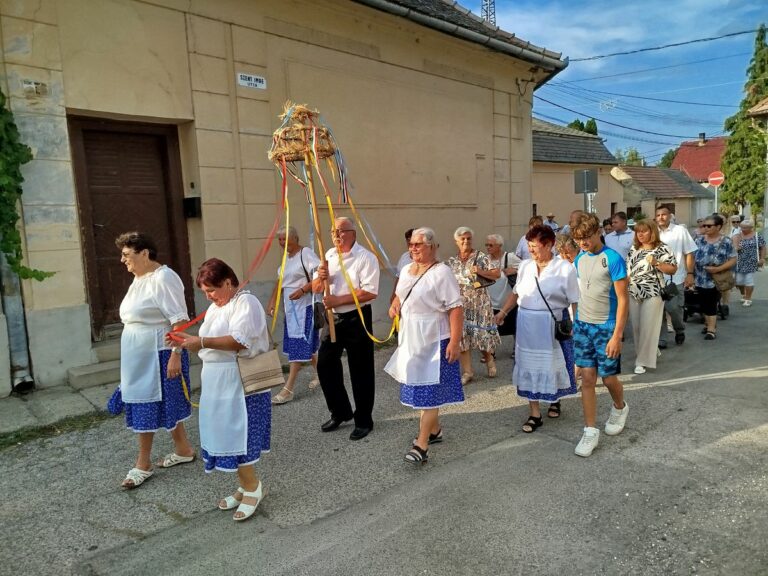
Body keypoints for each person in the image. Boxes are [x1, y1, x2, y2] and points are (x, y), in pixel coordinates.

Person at [170, 258, 271, 522]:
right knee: (225, 434)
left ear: (228, 282)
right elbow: (207, 340)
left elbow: (239, 340)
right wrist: (185, 342)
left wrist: (200, 341)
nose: (209, 297)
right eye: (205, 292)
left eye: (212, 290)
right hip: (217, 379)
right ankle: (243, 484)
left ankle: (253, 487)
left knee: (238, 434)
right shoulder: (218, 307)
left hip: (238, 380)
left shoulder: (245, 303)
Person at [114, 232, 195, 490]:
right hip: (137, 357)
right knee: (160, 406)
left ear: (145, 253)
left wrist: (176, 354)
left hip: (160, 354)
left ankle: (143, 463)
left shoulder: (164, 278)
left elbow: (180, 320)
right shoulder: (139, 279)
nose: (122, 260)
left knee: (146, 407)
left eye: (127, 255)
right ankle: (183, 449)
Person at [385, 227, 464, 464]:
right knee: (421, 388)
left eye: (418, 245)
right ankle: (435, 429)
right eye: (411, 244)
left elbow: (455, 308)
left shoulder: (442, 273)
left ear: (432, 246)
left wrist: (454, 341)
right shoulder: (408, 269)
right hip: (411, 338)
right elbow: (400, 294)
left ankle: (422, 444)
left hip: (434, 338)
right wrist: (395, 306)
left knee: (429, 392)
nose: (413, 248)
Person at [495, 225, 579, 431]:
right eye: (529, 245)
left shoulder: (565, 268)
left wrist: (576, 324)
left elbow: (575, 300)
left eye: (535, 246)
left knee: (550, 365)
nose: (530, 250)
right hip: (526, 325)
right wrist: (503, 312)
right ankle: (534, 413)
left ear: (549, 245)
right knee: (528, 366)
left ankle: (554, 399)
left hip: (549, 326)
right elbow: (516, 293)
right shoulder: (525, 266)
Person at [313, 216, 380, 440]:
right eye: (333, 231)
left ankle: (364, 420)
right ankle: (341, 411)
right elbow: (315, 286)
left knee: (360, 369)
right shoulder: (328, 255)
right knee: (325, 363)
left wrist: (338, 300)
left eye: (341, 231)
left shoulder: (365, 257)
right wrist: (322, 278)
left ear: (352, 233)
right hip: (333, 318)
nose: (336, 236)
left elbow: (370, 292)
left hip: (356, 317)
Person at [571, 213, 629, 457]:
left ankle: (619, 407)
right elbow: (578, 293)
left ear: (597, 233)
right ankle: (590, 430)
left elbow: (624, 300)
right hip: (583, 326)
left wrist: (617, 336)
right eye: (578, 239)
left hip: (606, 327)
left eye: (586, 237)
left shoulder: (613, 259)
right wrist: (575, 323)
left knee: (608, 378)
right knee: (587, 379)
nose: (583, 243)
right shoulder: (579, 259)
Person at [266, 226, 320, 404]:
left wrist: (303, 289)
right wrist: (273, 300)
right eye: (280, 240)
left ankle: (288, 388)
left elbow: (320, 277)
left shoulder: (306, 253)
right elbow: (280, 281)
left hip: (304, 307)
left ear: (295, 238)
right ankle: (322, 374)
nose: (282, 243)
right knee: (305, 344)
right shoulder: (285, 259)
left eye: (285, 239)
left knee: (299, 344)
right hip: (290, 308)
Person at [448, 226, 501, 385]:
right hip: (461, 303)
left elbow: (496, 274)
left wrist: (479, 271)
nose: (466, 241)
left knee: (481, 335)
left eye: (468, 238)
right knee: (463, 335)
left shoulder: (481, 256)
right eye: (462, 239)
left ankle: (489, 358)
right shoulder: (452, 261)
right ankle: (468, 371)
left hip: (479, 301)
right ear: (456, 241)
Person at [626, 220, 678, 374]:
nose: (640, 234)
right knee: (636, 326)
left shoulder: (662, 248)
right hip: (634, 291)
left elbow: (673, 269)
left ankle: (641, 361)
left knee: (648, 326)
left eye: (644, 231)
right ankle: (650, 349)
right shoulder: (634, 249)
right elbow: (628, 270)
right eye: (638, 231)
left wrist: (657, 263)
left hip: (653, 291)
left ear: (652, 232)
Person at [655, 204, 696, 348]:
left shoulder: (680, 231)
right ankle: (662, 339)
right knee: (658, 311)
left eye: (664, 214)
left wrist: (690, 274)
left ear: (670, 216)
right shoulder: (653, 232)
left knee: (673, 309)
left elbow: (689, 252)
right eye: (658, 215)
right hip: (656, 279)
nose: (661, 217)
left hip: (676, 278)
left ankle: (679, 330)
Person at [690, 215, 737, 340]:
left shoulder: (726, 241)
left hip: (716, 278)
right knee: (703, 303)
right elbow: (692, 258)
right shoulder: (699, 240)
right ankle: (708, 323)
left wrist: (718, 269)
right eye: (704, 225)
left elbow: (733, 259)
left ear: (718, 227)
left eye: (709, 226)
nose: (706, 228)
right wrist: (689, 274)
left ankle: (711, 329)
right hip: (700, 278)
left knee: (711, 302)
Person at [485, 233, 520, 339]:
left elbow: (526, 269)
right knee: (491, 328)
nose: (488, 247)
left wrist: (515, 270)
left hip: (508, 301)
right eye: (486, 245)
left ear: (499, 245)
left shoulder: (510, 257)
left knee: (514, 327)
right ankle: (491, 353)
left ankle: (516, 349)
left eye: (491, 245)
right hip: (491, 301)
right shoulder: (485, 259)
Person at [732, 219, 766, 307]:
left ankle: (748, 298)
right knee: (739, 282)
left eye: (745, 228)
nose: (743, 229)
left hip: (752, 261)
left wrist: (762, 258)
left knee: (748, 280)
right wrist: (736, 248)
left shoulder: (757, 236)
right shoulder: (737, 236)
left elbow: (763, 247)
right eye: (742, 227)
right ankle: (744, 294)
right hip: (739, 261)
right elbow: (732, 247)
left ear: (751, 228)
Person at [390, 228, 415, 303]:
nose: (410, 244)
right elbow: (398, 278)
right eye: (408, 241)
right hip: (403, 298)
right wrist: (394, 295)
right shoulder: (404, 256)